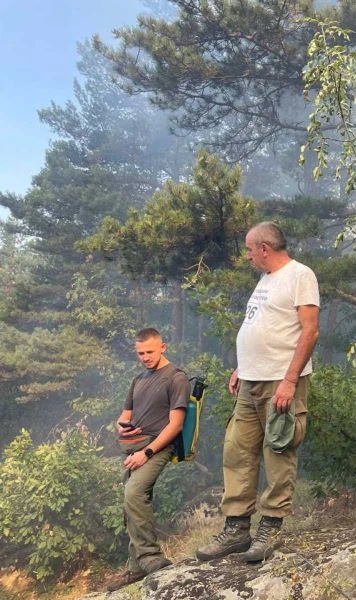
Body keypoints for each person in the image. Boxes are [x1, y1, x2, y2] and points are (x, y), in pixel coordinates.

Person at [197, 221, 320, 563]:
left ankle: (271, 527)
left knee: (278, 450)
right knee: (237, 450)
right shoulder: (266, 279)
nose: (248, 256)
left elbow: (310, 332)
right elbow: (263, 326)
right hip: (251, 381)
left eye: (250, 250)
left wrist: (290, 380)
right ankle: (236, 528)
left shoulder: (300, 275)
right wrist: (243, 366)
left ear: (265, 248)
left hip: (279, 382)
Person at [108, 328, 189, 591]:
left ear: (163, 347)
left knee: (134, 492)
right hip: (133, 448)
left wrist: (148, 453)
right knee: (130, 503)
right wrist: (121, 426)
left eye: (150, 352)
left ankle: (150, 558)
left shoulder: (176, 378)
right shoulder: (138, 380)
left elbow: (176, 425)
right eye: (140, 353)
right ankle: (135, 568)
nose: (145, 357)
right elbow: (124, 416)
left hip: (157, 446)